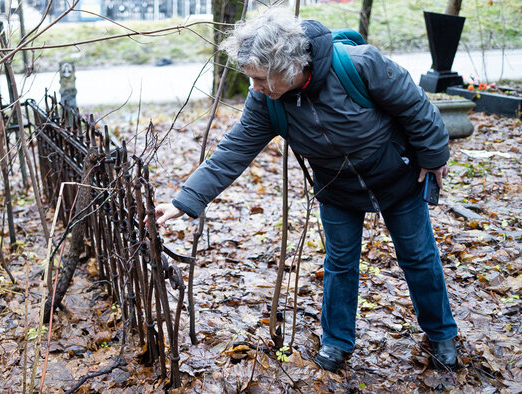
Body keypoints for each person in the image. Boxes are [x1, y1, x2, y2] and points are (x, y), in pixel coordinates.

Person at [153, 8, 458, 373]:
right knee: (341, 262)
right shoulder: (268, 100)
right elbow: (233, 150)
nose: (255, 88)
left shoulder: (360, 65)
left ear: (290, 68)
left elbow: (416, 107)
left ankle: (441, 333)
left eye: (260, 79)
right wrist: (185, 201)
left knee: (418, 255)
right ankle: (336, 342)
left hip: (398, 176)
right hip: (337, 187)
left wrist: (433, 154)